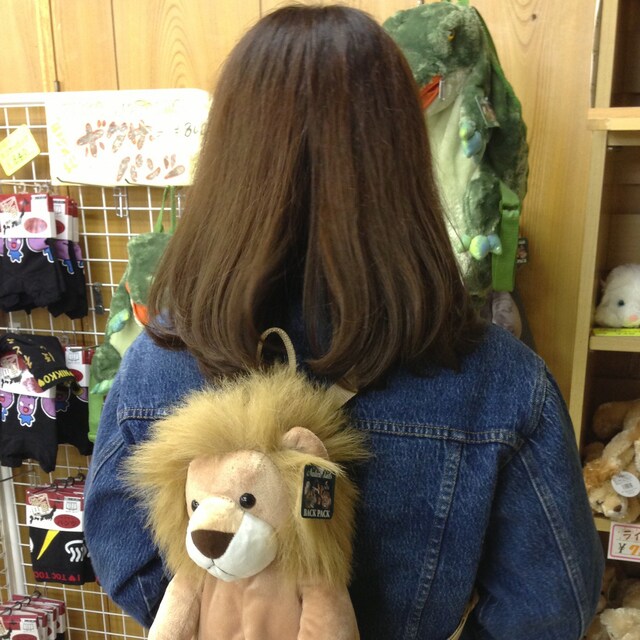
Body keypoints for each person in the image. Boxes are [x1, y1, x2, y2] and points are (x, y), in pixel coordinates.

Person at [84, 5, 604, 639]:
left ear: (226, 158)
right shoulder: (499, 380)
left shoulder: (159, 358)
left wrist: (225, 615)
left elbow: (122, 552)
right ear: (402, 159)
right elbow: (550, 608)